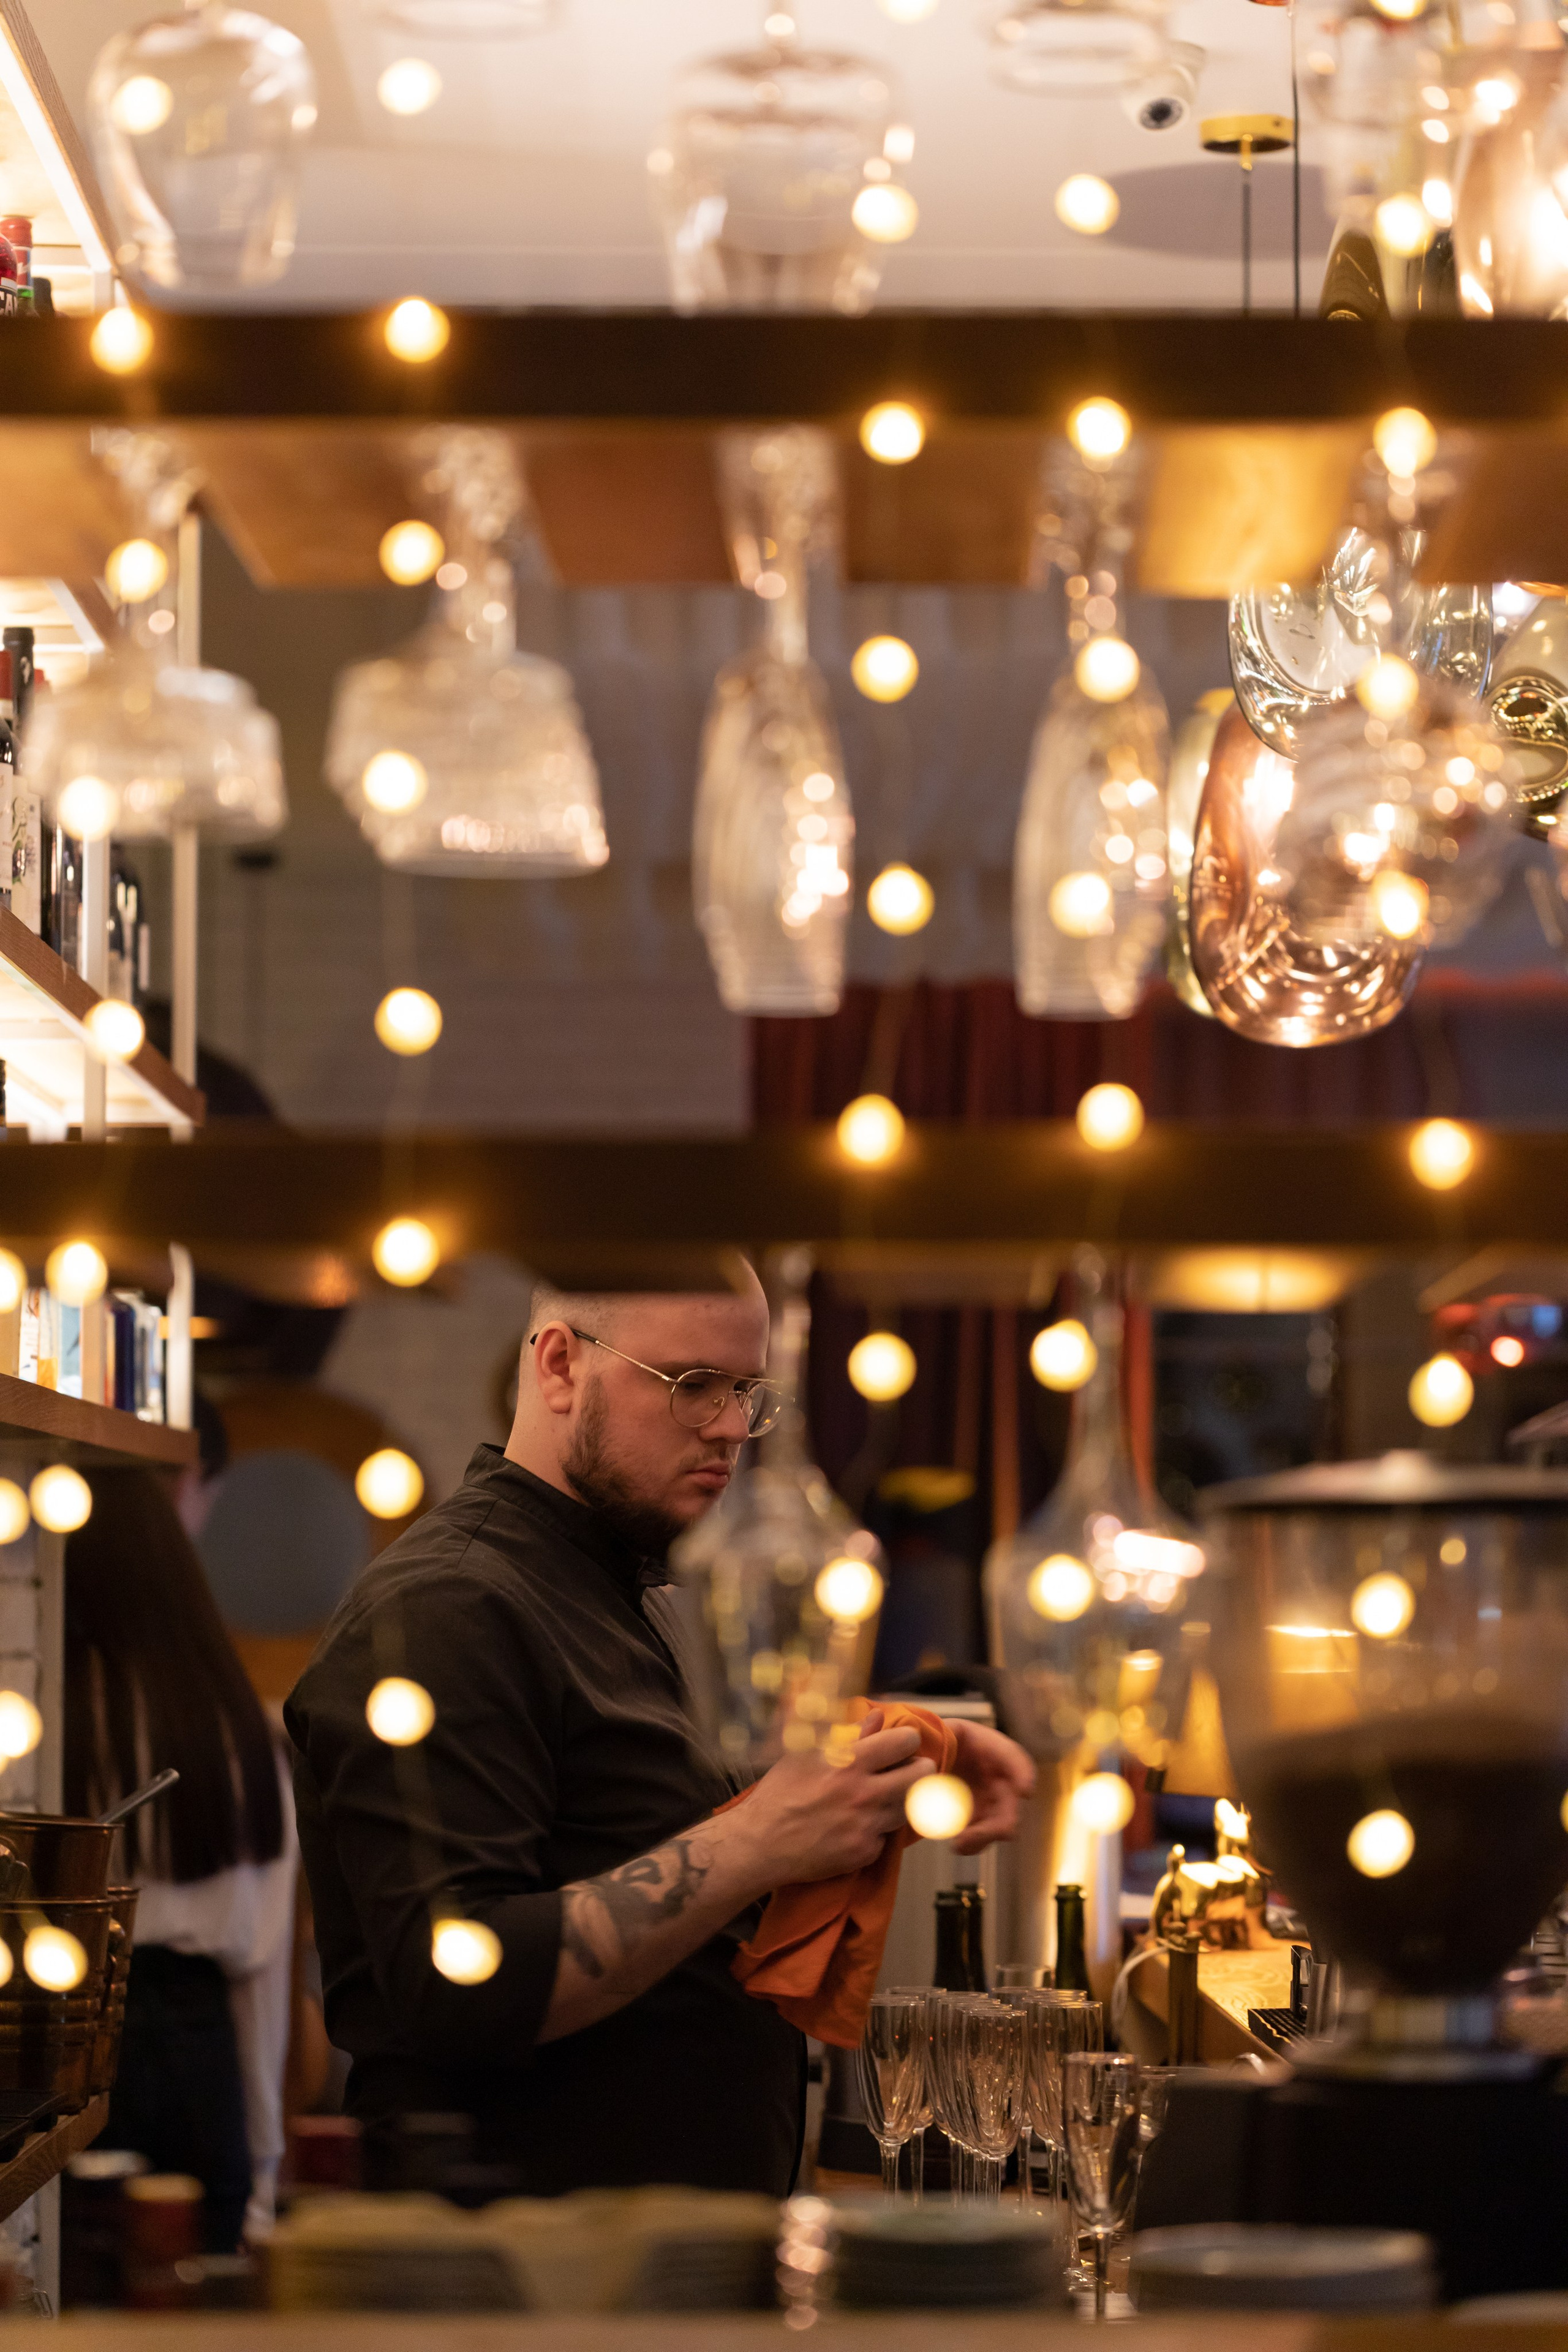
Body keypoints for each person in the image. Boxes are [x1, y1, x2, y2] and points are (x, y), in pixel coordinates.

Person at [286, 1268, 1035, 2196]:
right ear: (560, 1365)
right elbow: (455, 1986)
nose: (729, 1427)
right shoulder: (453, 1606)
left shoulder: (634, 1589)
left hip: (674, 2261)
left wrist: (913, 1761)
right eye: (693, 1386)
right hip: (519, 2277)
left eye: (747, 1391)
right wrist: (758, 1844)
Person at [64, 1468, 297, 2251]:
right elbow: (261, 1976)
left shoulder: (38, 1708)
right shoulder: (237, 1725)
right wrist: (263, 2162)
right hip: (203, 2059)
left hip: (64, 2033)